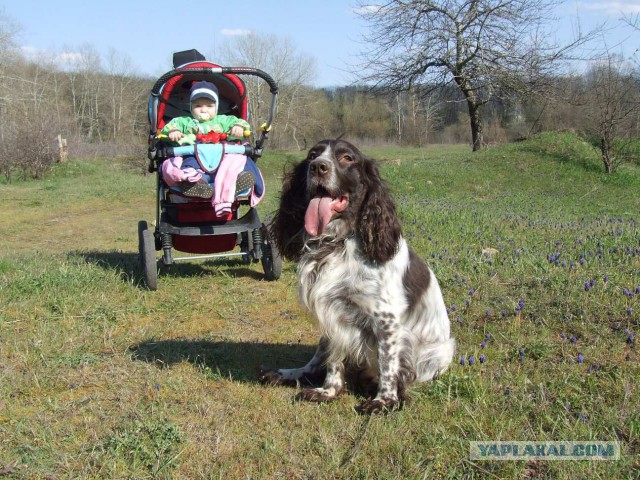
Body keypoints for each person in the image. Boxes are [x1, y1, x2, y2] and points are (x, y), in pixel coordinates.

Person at [158, 81, 255, 199]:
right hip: (194, 156)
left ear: (216, 107)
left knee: (231, 164)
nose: (204, 110)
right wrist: (173, 132)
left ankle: (234, 182)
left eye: (209, 106)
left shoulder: (222, 120)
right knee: (189, 165)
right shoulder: (184, 121)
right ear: (190, 107)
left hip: (221, 157)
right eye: (198, 106)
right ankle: (196, 184)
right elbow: (169, 127)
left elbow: (240, 122)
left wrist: (239, 127)